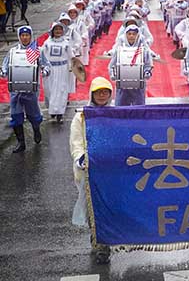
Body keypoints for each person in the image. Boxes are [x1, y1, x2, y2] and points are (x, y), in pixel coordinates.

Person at [69, 76, 113, 264]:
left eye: (105, 92)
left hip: (111, 173)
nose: (102, 95)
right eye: (98, 92)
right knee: (93, 210)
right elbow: (76, 141)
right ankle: (98, 244)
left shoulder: (116, 115)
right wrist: (81, 158)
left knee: (108, 208)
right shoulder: (81, 117)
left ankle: (105, 244)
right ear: (92, 94)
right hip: (88, 171)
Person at [1, 26, 51, 153]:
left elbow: (46, 65)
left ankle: (36, 130)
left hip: (31, 90)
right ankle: (21, 143)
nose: (25, 37)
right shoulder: (13, 51)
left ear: (30, 36)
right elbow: (5, 66)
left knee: (33, 114)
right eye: (22, 35)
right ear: (19, 37)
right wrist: (3, 72)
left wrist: (45, 71)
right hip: (16, 90)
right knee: (16, 115)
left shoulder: (36, 51)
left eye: (27, 35)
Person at [109, 24, 153, 106]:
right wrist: (113, 73)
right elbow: (112, 64)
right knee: (121, 108)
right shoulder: (119, 49)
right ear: (125, 35)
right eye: (129, 34)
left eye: (134, 34)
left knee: (139, 108)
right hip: (122, 85)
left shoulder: (144, 50)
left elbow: (148, 64)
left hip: (138, 85)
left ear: (138, 35)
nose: (131, 36)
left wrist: (147, 72)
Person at [42, 21, 74, 122]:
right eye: (56, 29)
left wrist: (72, 67)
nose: (58, 31)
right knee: (50, 90)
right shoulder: (47, 43)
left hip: (62, 70)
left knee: (61, 90)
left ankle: (60, 111)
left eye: (60, 29)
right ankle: (52, 110)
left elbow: (71, 56)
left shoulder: (66, 43)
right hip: (51, 70)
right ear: (52, 31)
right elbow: (42, 54)